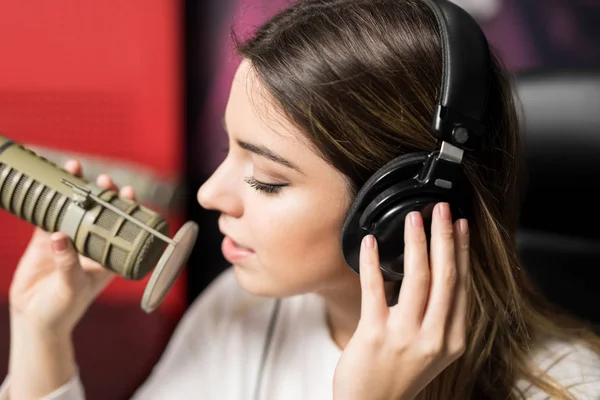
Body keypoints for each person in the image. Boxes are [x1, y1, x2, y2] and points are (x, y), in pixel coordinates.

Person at [3, 0, 600, 398]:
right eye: (227, 148)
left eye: (266, 178)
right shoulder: (237, 312)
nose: (211, 193)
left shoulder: (571, 385)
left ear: (395, 213)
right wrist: (41, 333)